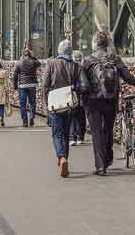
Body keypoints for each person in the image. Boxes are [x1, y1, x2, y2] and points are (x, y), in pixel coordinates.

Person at [82, 31, 135, 176]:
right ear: (107, 44)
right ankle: (108, 158)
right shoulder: (114, 58)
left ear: (94, 44)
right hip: (111, 99)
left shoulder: (87, 60)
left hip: (93, 101)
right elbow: (127, 76)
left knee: (96, 132)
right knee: (108, 129)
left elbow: (82, 82)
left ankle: (101, 166)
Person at [43, 39, 89, 178]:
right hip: (70, 104)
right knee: (67, 133)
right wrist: (75, 89)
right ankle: (65, 159)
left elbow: (45, 86)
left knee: (57, 134)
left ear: (59, 51)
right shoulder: (76, 66)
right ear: (71, 52)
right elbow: (85, 85)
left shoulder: (51, 64)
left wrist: (46, 104)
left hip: (55, 104)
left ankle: (61, 157)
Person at [13, 45, 40, 127]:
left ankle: (24, 121)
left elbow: (15, 74)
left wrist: (15, 85)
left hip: (22, 85)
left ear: (22, 54)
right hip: (32, 84)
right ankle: (31, 118)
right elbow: (39, 63)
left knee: (23, 103)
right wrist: (33, 57)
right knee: (32, 102)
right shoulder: (34, 61)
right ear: (30, 54)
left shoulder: (19, 62)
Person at [70, 50, 87, 145]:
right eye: (76, 59)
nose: (77, 60)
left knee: (74, 116)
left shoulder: (70, 67)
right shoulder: (83, 68)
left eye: (78, 59)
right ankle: (79, 136)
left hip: (74, 94)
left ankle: (74, 137)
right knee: (80, 116)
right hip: (81, 94)